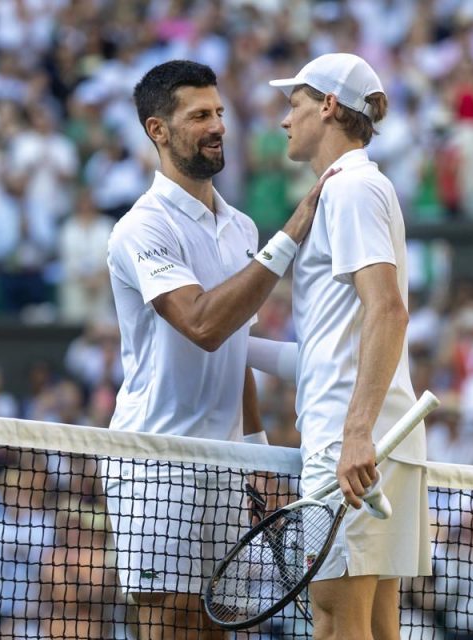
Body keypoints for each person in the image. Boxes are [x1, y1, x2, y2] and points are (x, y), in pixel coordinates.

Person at [103, 60, 332, 640]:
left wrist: (256, 453)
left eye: (220, 113)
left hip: (226, 464)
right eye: (199, 115)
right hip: (153, 461)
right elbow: (202, 324)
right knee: (168, 624)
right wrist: (290, 236)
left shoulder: (241, 229)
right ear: (158, 130)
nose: (217, 126)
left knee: (213, 628)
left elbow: (234, 343)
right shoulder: (141, 228)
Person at [253, 52, 430, 640]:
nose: (285, 119)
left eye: (295, 104)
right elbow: (329, 349)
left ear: (328, 107)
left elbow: (388, 309)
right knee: (375, 625)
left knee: (335, 620)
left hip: (351, 444)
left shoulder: (350, 189)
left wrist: (355, 433)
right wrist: (237, 349)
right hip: (377, 437)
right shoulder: (358, 187)